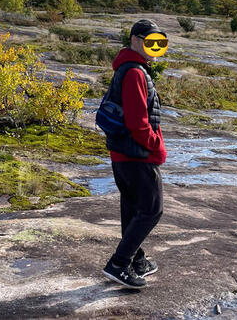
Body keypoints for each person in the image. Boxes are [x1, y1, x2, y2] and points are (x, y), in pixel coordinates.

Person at [101, 19, 168, 289]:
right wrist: (156, 146)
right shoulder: (134, 73)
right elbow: (138, 123)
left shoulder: (131, 68)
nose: (154, 47)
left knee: (132, 208)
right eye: (150, 41)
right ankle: (118, 264)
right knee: (152, 210)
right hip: (136, 155)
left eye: (160, 43)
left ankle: (136, 260)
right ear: (135, 40)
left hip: (122, 154)